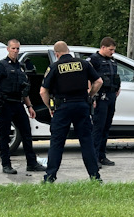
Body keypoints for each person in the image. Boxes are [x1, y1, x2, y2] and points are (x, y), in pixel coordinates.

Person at [39, 41, 103, 183]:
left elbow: (43, 91)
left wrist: (50, 107)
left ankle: (50, 177)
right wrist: (90, 95)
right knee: (87, 141)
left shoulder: (54, 67)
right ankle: (95, 177)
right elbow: (98, 81)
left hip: (63, 108)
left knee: (57, 143)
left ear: (56, 54)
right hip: (82, 106)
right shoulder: (83, 64)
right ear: (68, 51)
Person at [0, 39, 46, 174]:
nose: (15, 51)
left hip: (18, 103)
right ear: (8, 49)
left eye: (17, 49)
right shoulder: (1, 66)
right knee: (4, 135)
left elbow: (24, 89)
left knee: (26, 133)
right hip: (5, 104)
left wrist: (30, 106)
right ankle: (6, 165)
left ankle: (31, 163)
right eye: (13, 48)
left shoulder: (20, 67)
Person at [88, 37, 121, 168]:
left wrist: (118, 88)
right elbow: (89, 79)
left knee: (106, 127)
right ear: (103, 47)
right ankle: (94, 158)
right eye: (110, 50)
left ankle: (102, 155)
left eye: (113, 50)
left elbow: (115, 76)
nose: (112, 52)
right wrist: (92, 96)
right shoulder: (94, 60)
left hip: (111, 96)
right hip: (100, 97)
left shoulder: (112, 61)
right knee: (98, 128)